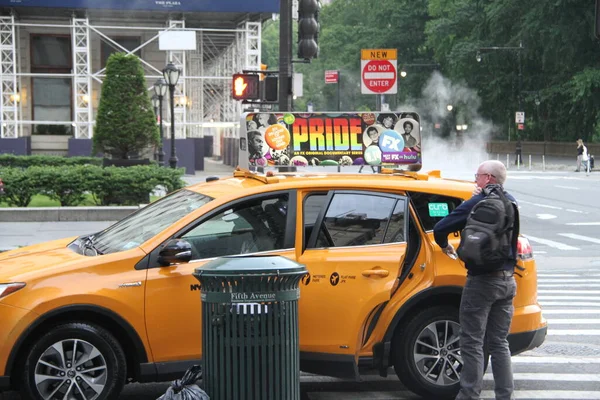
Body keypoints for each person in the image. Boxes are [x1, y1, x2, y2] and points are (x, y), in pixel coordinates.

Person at [433, 160, 518, 400]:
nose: (475, 179)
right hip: (507, 281)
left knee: (471, 341)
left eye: (478, 175)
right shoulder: (512, 202)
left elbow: (442, 227)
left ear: (488, 178)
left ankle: (469, 395)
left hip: (482, 281)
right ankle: (504, 395)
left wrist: (445, 245)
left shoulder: (478, 201)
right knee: (499, 342)